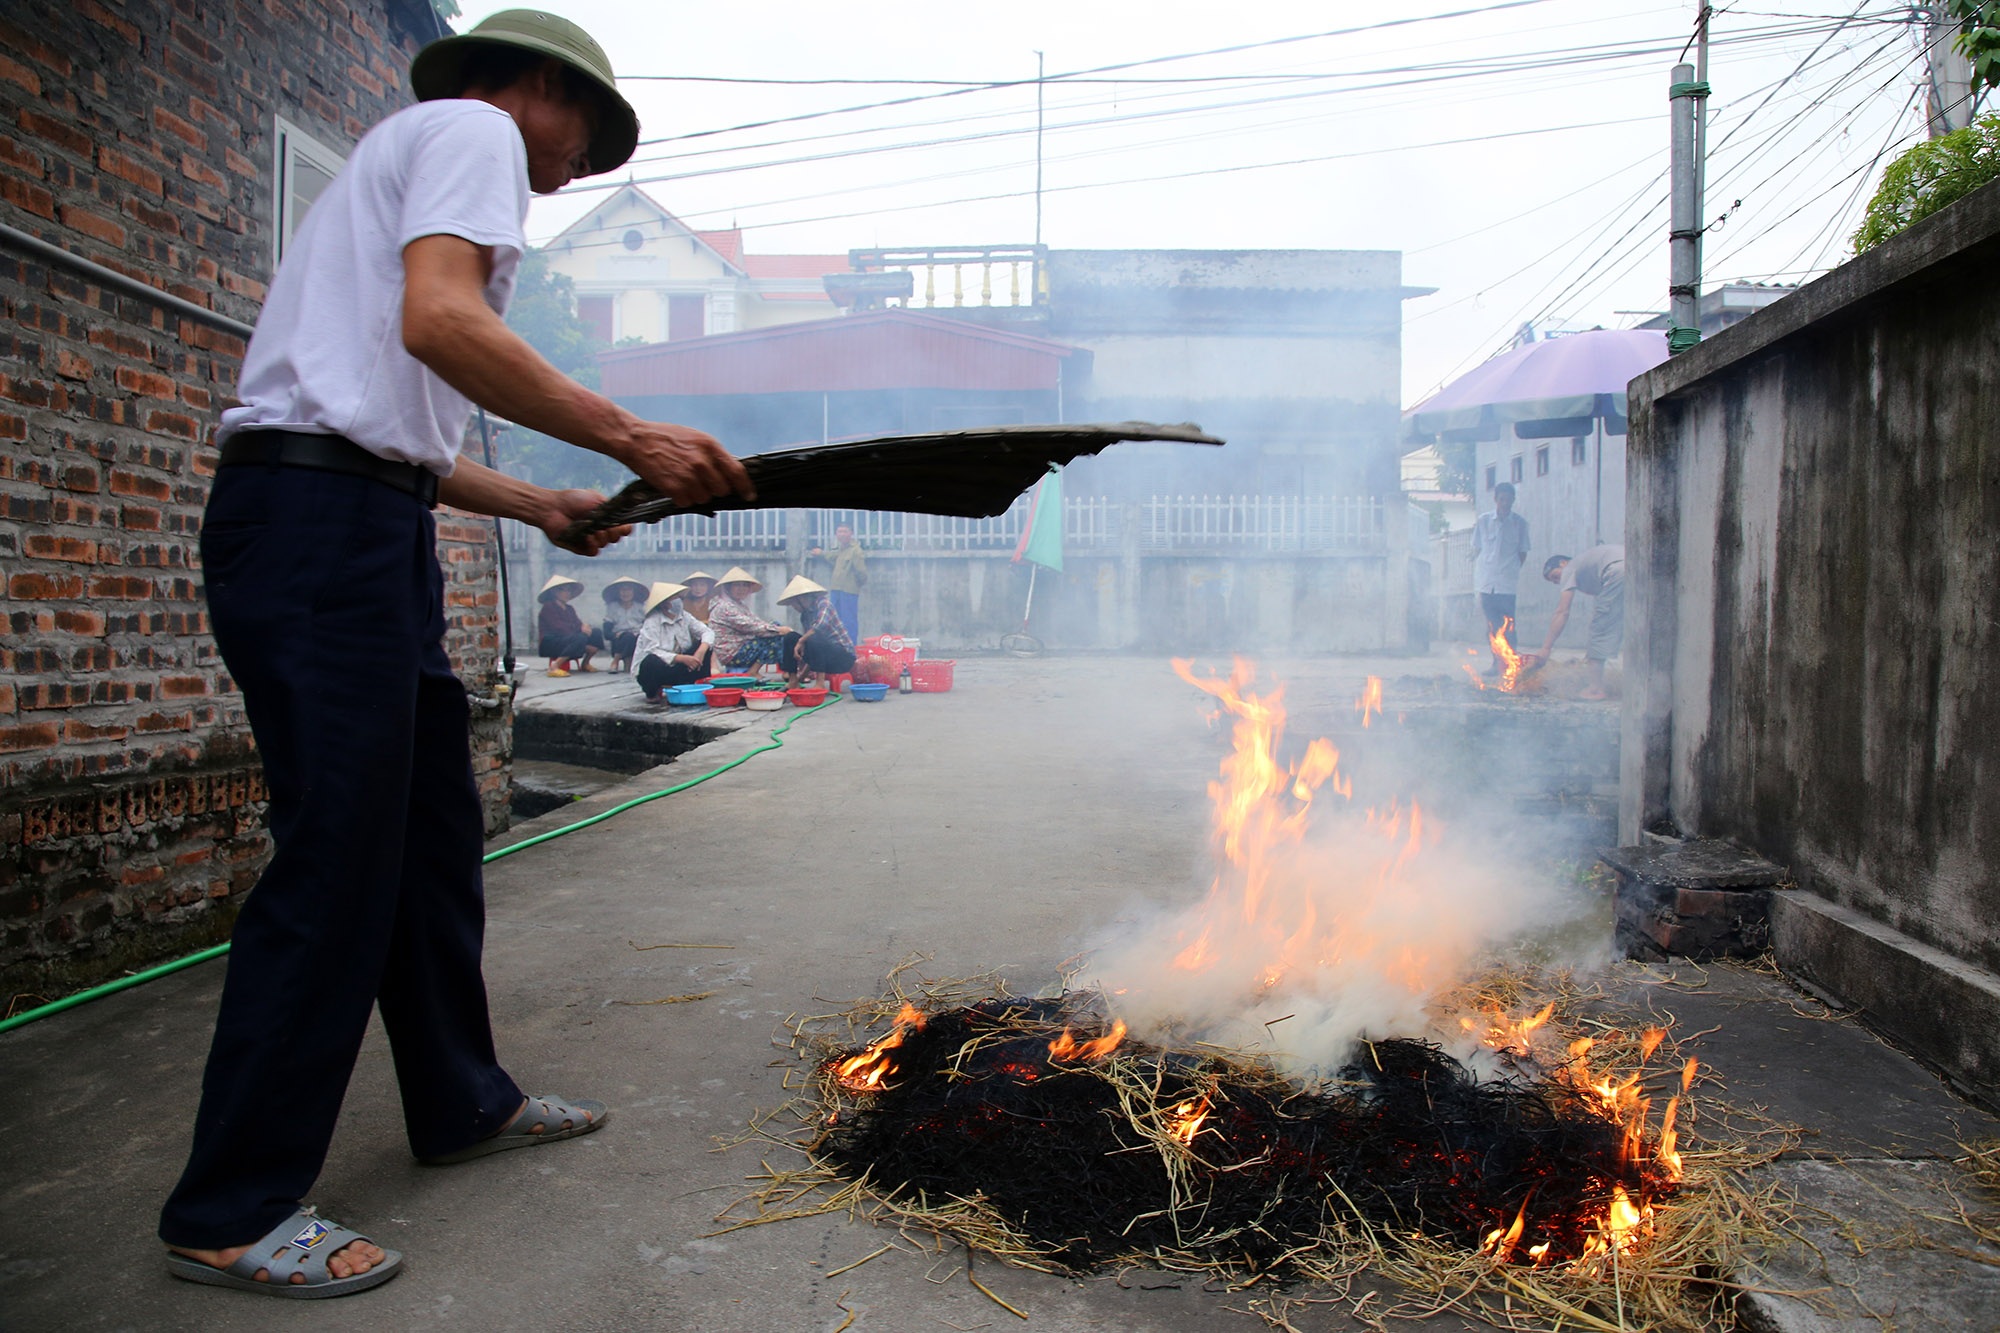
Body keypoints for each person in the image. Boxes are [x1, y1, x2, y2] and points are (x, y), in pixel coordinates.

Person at [160, 9, 754, 1300]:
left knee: (429, 834)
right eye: (588, 130)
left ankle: (459, 1099)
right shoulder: (475, 129)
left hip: (365, 519)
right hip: (319, 530)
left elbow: (402, 429)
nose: (584, 160)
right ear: (542, 88)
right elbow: (440, 322)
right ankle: (232, 1204)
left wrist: (539, 502)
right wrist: (625, 435)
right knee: (341, 854)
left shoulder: (423, 148)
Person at [1524, 545, 1626, 700]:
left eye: (1555, 576)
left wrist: (1546, 648)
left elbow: (1562, 611)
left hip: (1617, 571)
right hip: (1638, 564)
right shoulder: (1588, 564)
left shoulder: (1570, 568)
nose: (1558, 582)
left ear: (1563, 563)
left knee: (1599, 629)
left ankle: (1595, 689)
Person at [1471, 481, 1530, 673]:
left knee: (1508, 625)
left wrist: (1510, 570)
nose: (1505, 503)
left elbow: (1522, 553)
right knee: (1492, 626)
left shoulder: (1520, 524)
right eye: (1501, 499)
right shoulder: (1484, 521)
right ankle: (1496, 663)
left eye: (1509, 499)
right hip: (1487, 583)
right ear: (1496, 499)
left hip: (1506, 584)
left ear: (1513, 500)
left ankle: (1511, 664)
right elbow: (1478, 548)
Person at [706, 566, 799, 677]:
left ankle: (786, 670)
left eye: (745, 585)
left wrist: (777, 628)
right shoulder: (724, 606)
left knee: (776, 627)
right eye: (737, 585)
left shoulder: (739, 604)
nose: (741, 589)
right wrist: (778, 630)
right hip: (732, 654)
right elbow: (749, 626)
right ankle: (754, 671)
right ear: (728, 587)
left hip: (743, 646)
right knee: (774, 635)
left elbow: (756, 622)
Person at [633, 581, 713, 699]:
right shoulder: (652, 621)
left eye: (680, 598)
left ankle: (697, 686)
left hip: (680, 666)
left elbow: (707, 632)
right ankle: (653, 693)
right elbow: (651, 650)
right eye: (674, 598)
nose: (679, 601)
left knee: (706, 646)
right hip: (657, 669)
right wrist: (679, 658)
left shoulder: (685, 616)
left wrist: (701, 650)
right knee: (650, 661)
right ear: (663, 603)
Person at [777, 575, 857, 684]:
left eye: (794, 604)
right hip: (823, 658)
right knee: (790, 637)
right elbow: (813, 649)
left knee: (813, 636)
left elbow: (820, 627)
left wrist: (801, 641)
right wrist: (801, 678)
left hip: (842, 658)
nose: (794, 608)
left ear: (802, 599)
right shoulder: (805, 615)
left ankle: (820, 684)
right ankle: (793, 681)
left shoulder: (824, 604)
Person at [809, 523, 867, 644]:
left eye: (845, 531)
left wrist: (855, 585)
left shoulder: (856, 551)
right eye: (839, 532)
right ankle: (840, 646)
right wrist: (821, 553)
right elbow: (831, 557)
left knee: (849, 622)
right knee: (836, 621)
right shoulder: (841, 549)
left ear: (851, 533)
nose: (842, 534)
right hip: (836, 590)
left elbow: (862, 573)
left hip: (849, 591)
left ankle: (851, 648)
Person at [535, 573, 602, 675]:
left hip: (567, 638)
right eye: (564, 590)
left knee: (596, 632)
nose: (567, 593)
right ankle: (554, 666)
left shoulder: (569, 609)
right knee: (579, 637)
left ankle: (586, 663)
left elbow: (577, 623)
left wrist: (585, 627)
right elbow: (559, 628)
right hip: (550, 642)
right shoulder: (548, 607)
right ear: (555, 592)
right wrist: (580, 629)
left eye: (569, 590)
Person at [599, 575, 647, 671]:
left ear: (633, 592)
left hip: (638, 638)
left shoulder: (640, 607)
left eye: (629, 590)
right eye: (623, 590)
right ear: (618, 593)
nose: (626, 593)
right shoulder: (612, 607)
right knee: (626, 637)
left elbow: (647, 625)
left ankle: (622, 662)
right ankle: (616, 661)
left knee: (633, 637)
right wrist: (616, 634)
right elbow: (607, 633)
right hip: (619, 640)